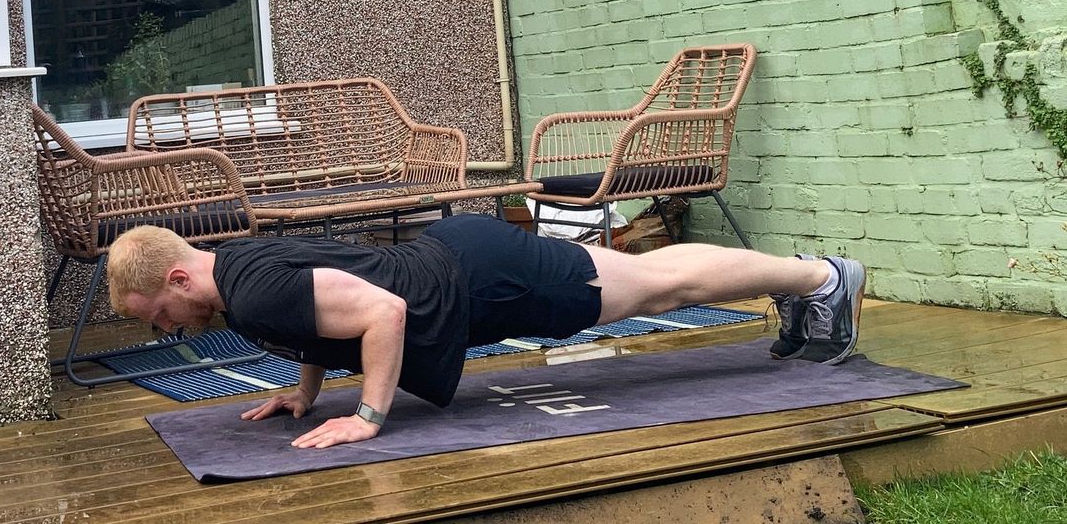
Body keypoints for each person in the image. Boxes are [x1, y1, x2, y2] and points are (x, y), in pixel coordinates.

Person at [107, 214, 864, 450]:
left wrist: (366, 418)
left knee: (662, 286)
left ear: (175, 280)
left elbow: (381, 313)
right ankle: (801, 282)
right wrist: (305, 397)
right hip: (466, 259)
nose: (168, 328)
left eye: (160, 317)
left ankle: (820, 280)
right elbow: (318, 315)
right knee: (651, 277)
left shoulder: (250, 288)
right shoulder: (236, 267)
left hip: (484, 281)